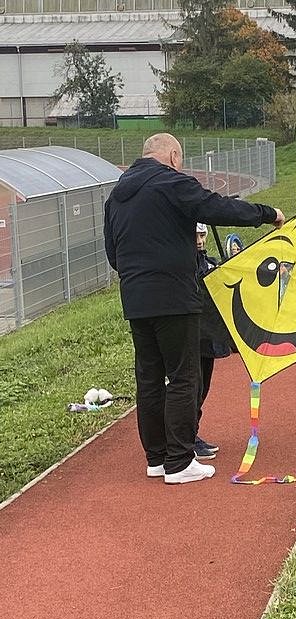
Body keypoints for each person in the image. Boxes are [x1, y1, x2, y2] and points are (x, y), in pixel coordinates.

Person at [104, 132, 284, 484]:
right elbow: (217, 207)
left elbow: (113, 254)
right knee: (184, 376)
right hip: (175, 296)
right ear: (173, 156)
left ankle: (157, 459)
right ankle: (180, 461)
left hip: (136, 299)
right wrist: (267, 214)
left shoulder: (117, 196)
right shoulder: (172, 183)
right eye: (181, 159)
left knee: (149, 378)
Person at [193, 222, 232, 460]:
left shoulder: (209, 261)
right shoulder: (187, 264)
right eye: (195, 236)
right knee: (192, 387)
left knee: (203, 386)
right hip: (192, 334)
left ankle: (192, 433)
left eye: (202, 235)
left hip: (208, 335)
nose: (199, 241)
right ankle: (186, 437)